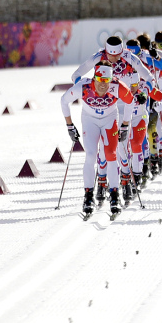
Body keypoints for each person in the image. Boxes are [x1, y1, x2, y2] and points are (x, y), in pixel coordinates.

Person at [61, 61, 134, 218]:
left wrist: (125, 125)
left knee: (111, 155)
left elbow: (130, 101)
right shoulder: (83, 87)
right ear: (94, 78)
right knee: (91, 155)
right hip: (90, 120)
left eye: (106, 81)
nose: (103, 86)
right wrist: (70, 126)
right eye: (100, 81)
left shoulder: (117, 86)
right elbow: (64, 100)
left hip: (109, 120)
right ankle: (88, 197)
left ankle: (114, 195)